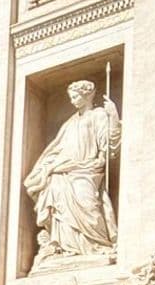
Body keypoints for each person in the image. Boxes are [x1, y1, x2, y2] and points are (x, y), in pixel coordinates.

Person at [23, 79, 121, 266]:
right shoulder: (69, 123)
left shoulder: (98, 115)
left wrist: (113, 116)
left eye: (76, 96)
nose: (73, 101)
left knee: (88, 204)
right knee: (60, 208)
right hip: (63, 171)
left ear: (87, 95)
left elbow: (109, 143)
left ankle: (97, 245)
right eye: (71, 97)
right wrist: (50, 166)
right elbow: (58, 148)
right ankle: (66, 248)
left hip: (87, 169)